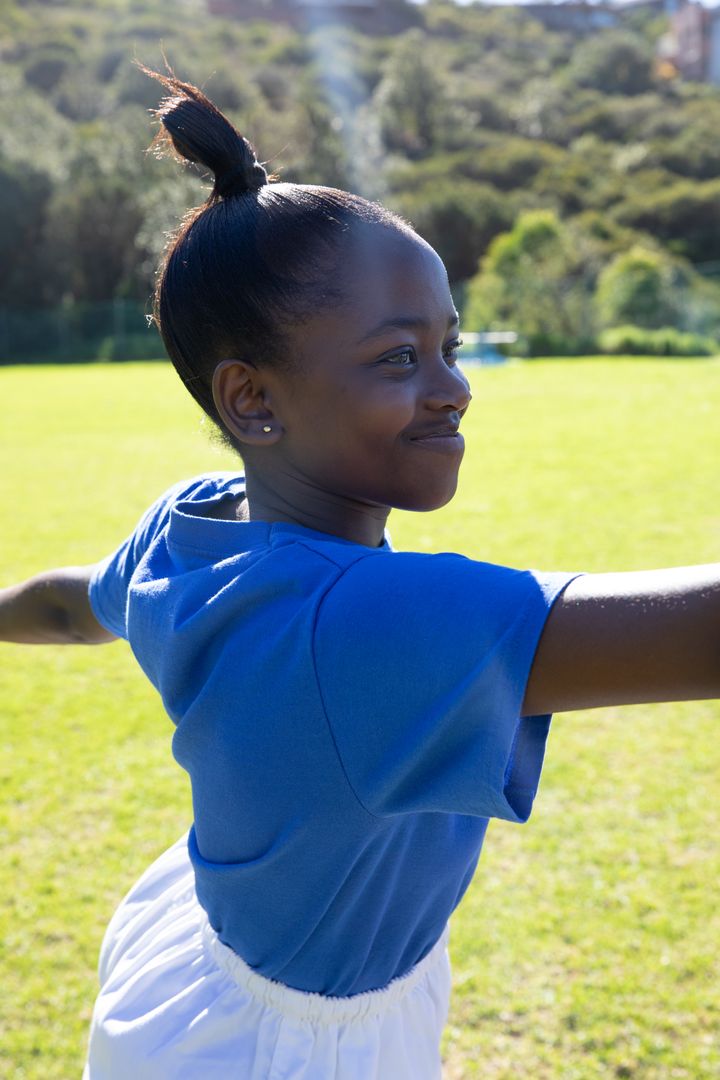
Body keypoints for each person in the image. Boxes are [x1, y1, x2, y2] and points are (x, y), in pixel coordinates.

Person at [1, 65, 718, 1080]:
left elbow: (73, 605)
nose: (455, 389)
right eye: (399, 359)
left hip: (207, 962)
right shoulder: (367, 626)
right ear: (252, 400)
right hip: (283, 1050)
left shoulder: (191, 526)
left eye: (450, 347)